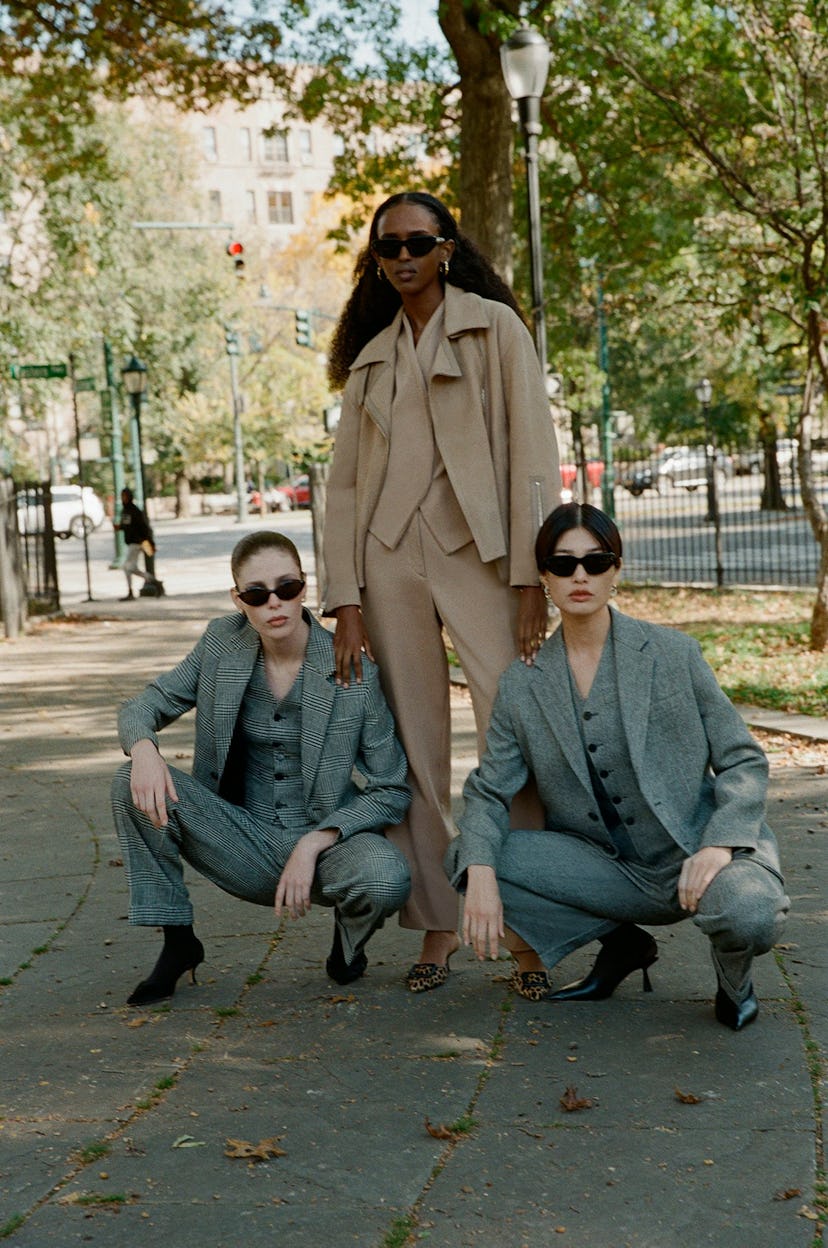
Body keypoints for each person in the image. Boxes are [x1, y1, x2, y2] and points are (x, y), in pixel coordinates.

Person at [323, 190, 560, 992]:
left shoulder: (496, 330)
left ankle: (527, 925)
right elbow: (345, 488)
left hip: (485, 555)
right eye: (387, 247)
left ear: (446, 247)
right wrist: (344, 597)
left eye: (417, 242)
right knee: (411, 745)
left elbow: (534, 454)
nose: (402, 257)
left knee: (511, 726)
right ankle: (437, 925)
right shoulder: (370, 359)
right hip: (388, 559)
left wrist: (534, 577)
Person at [447, 502, 789, 1030]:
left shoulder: (673, 654)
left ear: (616, 570)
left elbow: (743, 758)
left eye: (596, 561)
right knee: (468, 857)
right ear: (544, 578)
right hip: (606, 867)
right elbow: (489, 792)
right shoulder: (523, 684)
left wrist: (719, 844)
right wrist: (485, 876)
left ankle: (734, 979)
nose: (579, 575)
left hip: (696, 849)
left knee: (749, 913)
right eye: (562, 565)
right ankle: (621, 941)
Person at [112, 530, 411, 1007]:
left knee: (385, 878)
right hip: (240, 834)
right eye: (257, 593)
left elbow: (391, 788)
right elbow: (144, 705)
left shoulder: (353, 669)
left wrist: (318, 840)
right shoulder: (220, 644)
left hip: (325, 845)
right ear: (238, 600)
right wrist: (144, 749)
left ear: (304, 587)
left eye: (286, 588)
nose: (274, 603)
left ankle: (348, 941)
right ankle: (178, 940)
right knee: (129, 781)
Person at [114, 487, 163, 600]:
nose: (123, 499)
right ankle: (153, 581)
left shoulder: (134, 511)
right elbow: (127, 525)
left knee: (128, 567)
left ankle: (137, 589)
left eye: (125, 496)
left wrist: (148, 542)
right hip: (132, 542)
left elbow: (141, 527)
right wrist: (120, 527)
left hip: (136, 542)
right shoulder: (125, 510)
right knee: (130, 568)